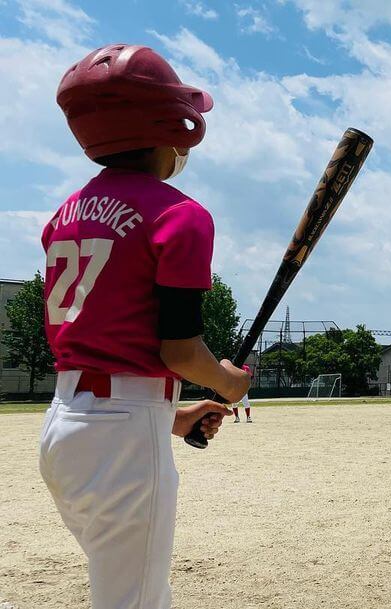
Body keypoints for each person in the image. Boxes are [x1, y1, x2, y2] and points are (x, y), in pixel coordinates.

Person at [39, 44, 249, 609]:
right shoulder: (179, 214)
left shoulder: (63, 215)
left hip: (67, 426)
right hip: (121, 440)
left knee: (128, 589)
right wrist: (227, 383)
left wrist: (169, 417)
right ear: (169, 124)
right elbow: (180, 350)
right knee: (133, 602)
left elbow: (106, 337)